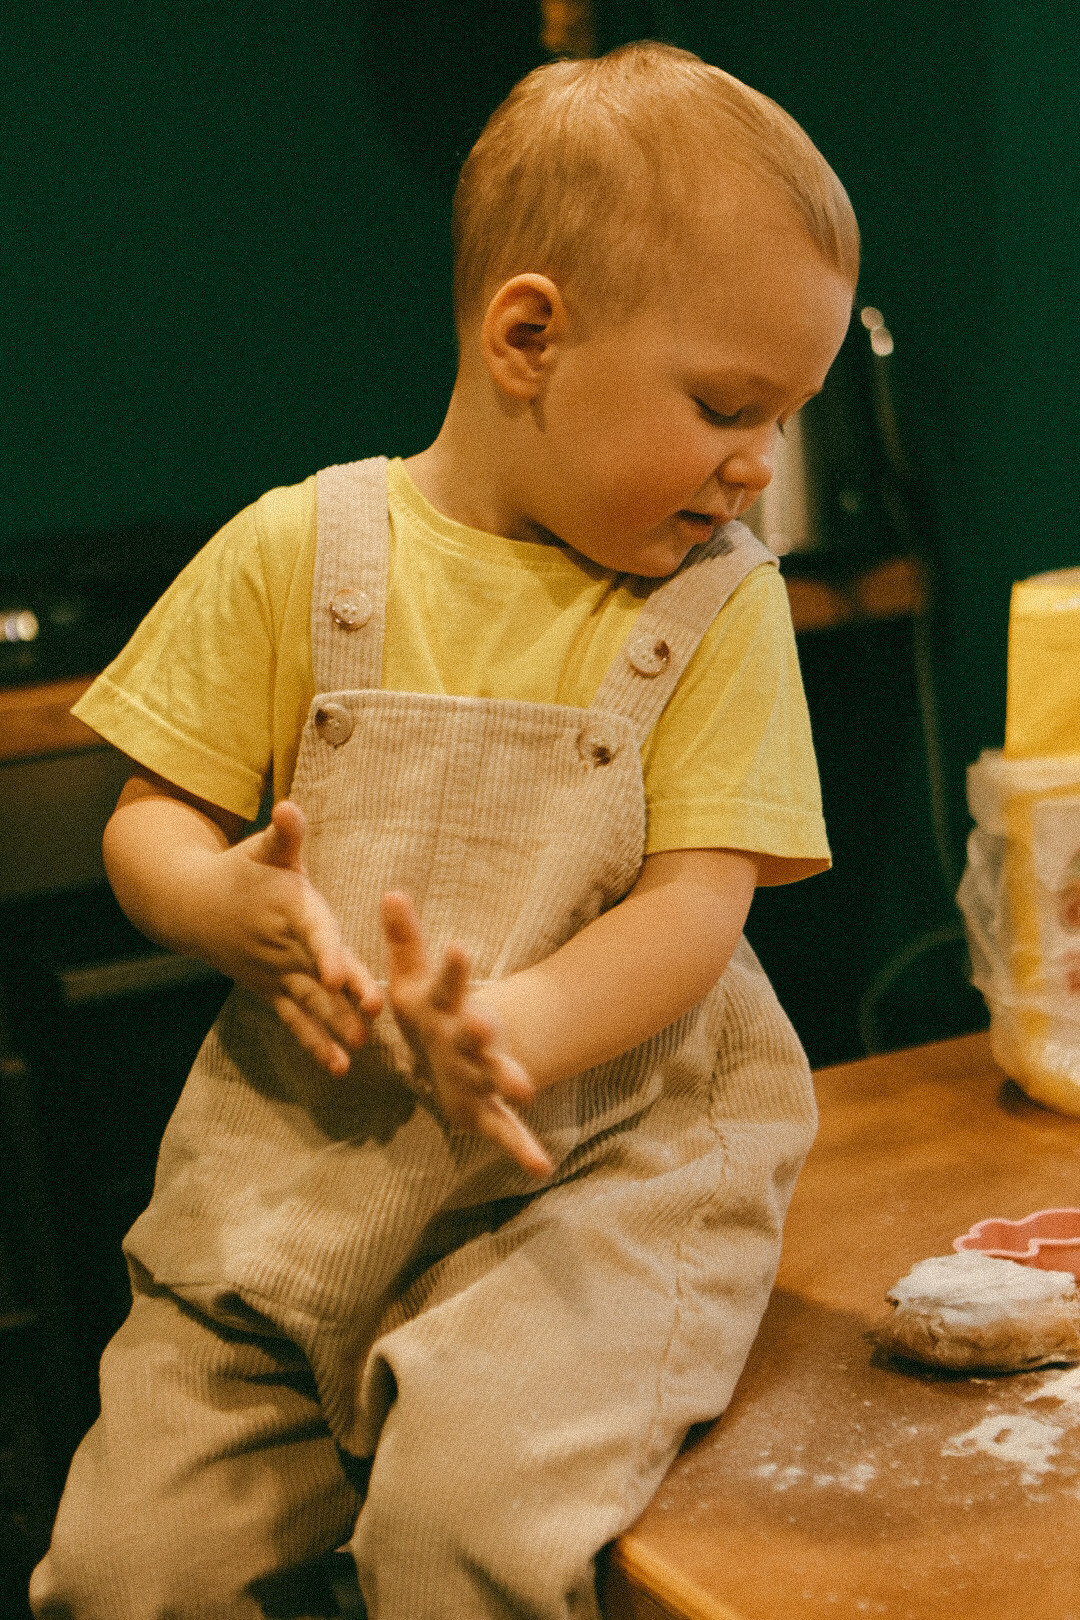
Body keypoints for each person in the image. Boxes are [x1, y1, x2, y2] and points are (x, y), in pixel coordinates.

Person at [31, 40, 858, 1620]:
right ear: (530, 335)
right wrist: (213, 901)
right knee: (129, 1571)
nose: (759, 465)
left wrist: (519, 1025)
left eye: (787, 416)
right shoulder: (296, 550)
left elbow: (699, 906)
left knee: (455, 1530)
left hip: (593, 1184)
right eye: (727, 406)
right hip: (300, 1181)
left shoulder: (720, 603)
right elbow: (152, 820)